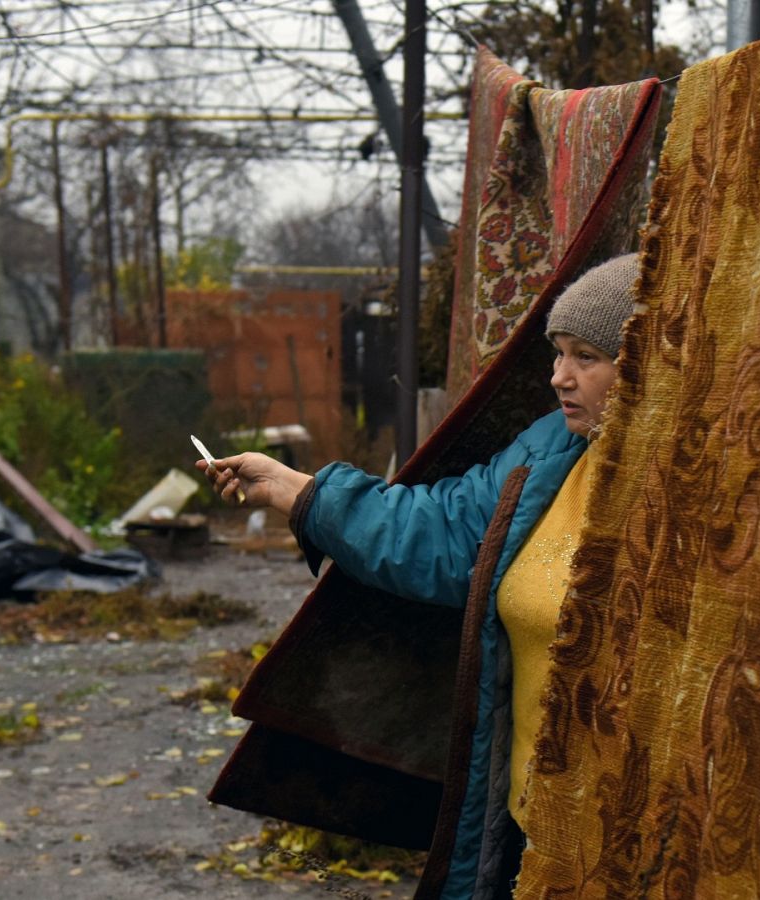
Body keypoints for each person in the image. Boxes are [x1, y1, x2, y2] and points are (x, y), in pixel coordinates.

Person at [197, 253, 638, 899]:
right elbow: (443, 531)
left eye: (587, 357)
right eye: (558, 353)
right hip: (526, 832)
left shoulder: (699, 503)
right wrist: (297, 491)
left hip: (631, 848)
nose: (559, 377)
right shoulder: (551, 453)